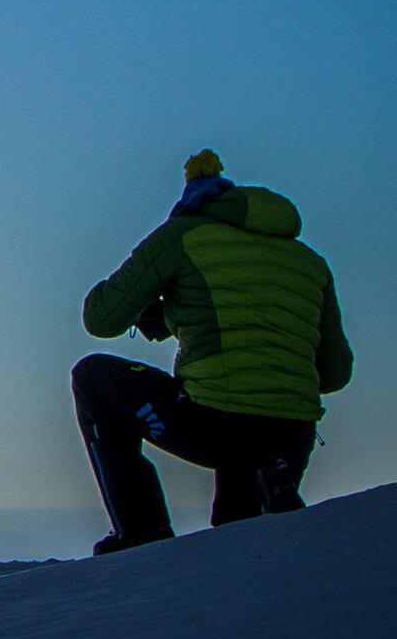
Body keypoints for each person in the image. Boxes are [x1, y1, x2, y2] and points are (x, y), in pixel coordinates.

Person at [73, 149, 353, 554]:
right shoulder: (311, 262)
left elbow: (100, 318)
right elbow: (335, 374)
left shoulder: (183, 235)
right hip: (292, 431)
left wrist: (161, 303)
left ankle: (141, 529)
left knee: (92, 377)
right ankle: (269, 471)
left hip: (218, 423)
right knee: (238, 543)